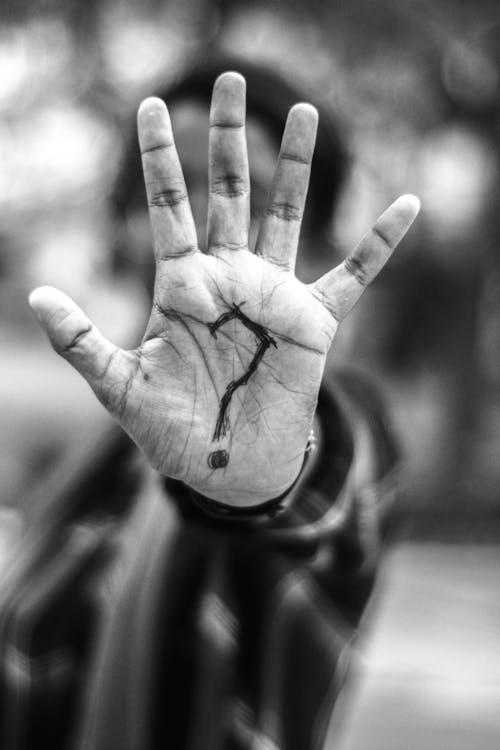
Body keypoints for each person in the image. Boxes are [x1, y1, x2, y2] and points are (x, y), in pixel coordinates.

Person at [0, 70, 419, 750]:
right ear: (124, 221)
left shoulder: (339, 418)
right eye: (167, 186)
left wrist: (261, 480)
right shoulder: (105, 458)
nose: (195, 216)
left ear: (311, 236)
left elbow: (328, 489)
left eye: (232, 186)